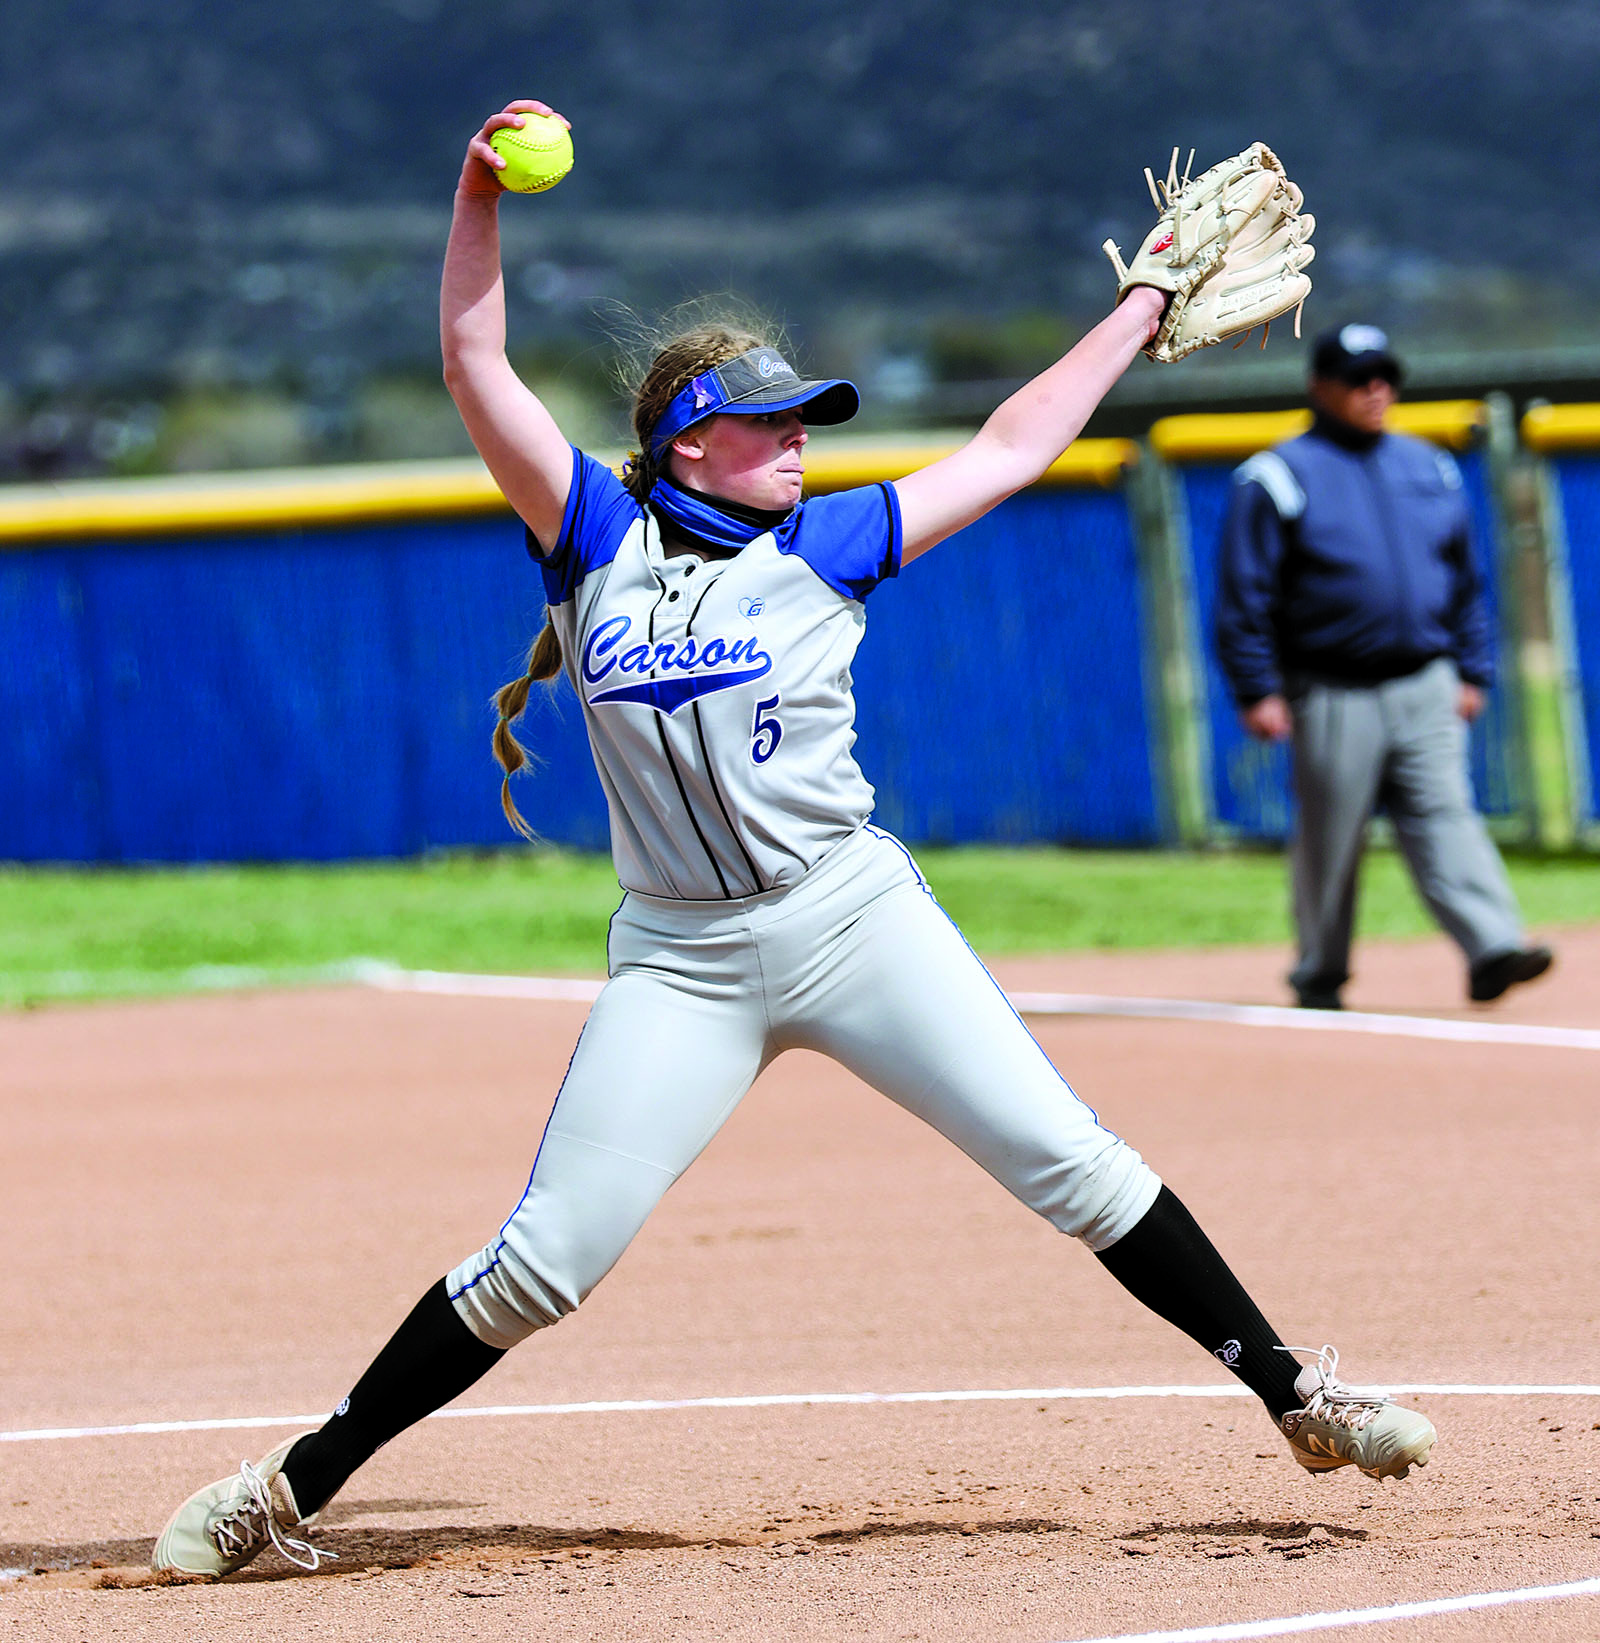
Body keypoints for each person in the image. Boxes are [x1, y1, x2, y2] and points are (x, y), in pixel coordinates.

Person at [151, 107, 1437, 1580]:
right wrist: (473, 188)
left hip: (848, 917)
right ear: (690, 439)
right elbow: (472, 361)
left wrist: (1139, 301)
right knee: (542, 1260)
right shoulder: (588, 535)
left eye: (804, 418)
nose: (800, 441)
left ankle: (1296, 1393)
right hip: (684, 959)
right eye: (772, 421)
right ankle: (290, 1483)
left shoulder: (824, 547)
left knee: (1071, 1163)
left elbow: (1015, 445)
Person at [1217, 323, 1554, 1011]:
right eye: (1359, 378)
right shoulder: (1277, 474)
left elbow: (1465, 581)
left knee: (1446, 812)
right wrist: (1257, 687)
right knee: (1332, 836)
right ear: (1320, 386)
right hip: (1331, 685)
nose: (1377, 390)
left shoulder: (1428, 465)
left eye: (1385, 376)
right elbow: (1244, 592)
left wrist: (1472, 669)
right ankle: (1320, 969)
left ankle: (1493, 947)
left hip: (1425, 679)